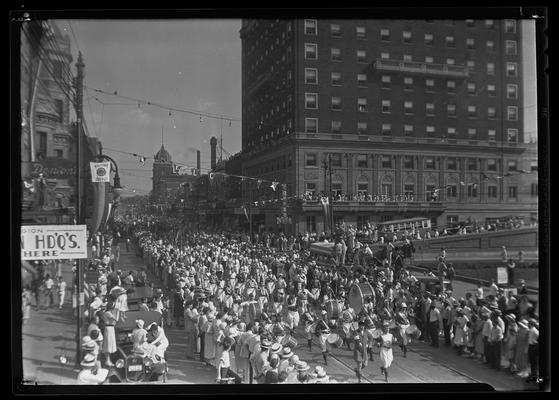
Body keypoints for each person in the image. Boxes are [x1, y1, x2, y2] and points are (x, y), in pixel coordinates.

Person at [526, 318, 539, 382]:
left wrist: (535, 343)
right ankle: (532, 374)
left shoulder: (534, 331)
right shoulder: (531, 330)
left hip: (533, 347)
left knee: (533, 362)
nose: (528, 324)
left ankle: (534, 376)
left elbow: (537, 339)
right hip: (531, 346)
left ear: (531, 324)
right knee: (532, 362)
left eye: (529, 323)